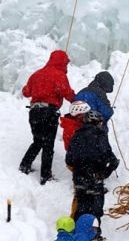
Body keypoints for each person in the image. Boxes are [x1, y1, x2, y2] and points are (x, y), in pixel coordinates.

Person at [19, 50, 76, 185]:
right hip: (48, 112)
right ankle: (45, 175)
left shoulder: (37, 74)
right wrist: (79, 100)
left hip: (34, 112)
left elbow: (26, 92)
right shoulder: (59, 75)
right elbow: (67, 93)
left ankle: (25, 165)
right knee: (48, 144)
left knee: (38, 141)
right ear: (62, 62)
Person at [66, 111, 119, 226]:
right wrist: (107, 171)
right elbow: (107, 155)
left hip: (79, 178)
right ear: (96, 122)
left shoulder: (76, 136)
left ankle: (79, 234)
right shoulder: (100, 135)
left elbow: (69, 160)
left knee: (81, 208)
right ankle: (94, 235)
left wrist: (79, 169)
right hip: (95, 177)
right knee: (95, 209)